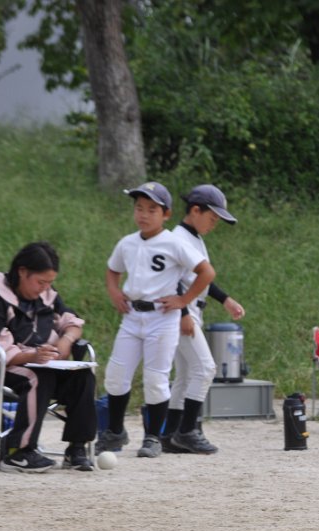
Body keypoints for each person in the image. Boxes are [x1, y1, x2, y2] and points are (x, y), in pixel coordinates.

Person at [97, 181, 215, 459]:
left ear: (166, 214)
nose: (144, 214)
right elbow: (113, 270)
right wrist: (114, 291)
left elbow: (206, 272)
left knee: (155, 379)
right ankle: (115, 431)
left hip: (162, 318)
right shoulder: (128, 242)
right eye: (139, 208)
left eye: (152, 210)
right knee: (116, 375)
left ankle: (152, 437)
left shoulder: (174, 243)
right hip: (132, 316)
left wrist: (183, 301)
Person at [0, 242, 97, 472]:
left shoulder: (46, 295)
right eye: (41, 282)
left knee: (83, 376)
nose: (45, 288)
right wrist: (33, 355)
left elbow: (71, 321)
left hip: (41, 363)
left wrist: (66, 340)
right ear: (22, 272)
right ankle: (19, 451)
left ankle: (77, 448)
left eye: (49, 283)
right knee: (38, 377)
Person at [160, 184, 245, 455]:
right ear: (195, 210)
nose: (214, 224)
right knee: (206, 368)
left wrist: (226, 299)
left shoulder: (193, 237)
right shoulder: (178, 239)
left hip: (190, 308)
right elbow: (172, 279)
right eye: (212, 217)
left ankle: (170, 435)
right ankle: (187, 431)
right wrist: (184, 314)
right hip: (182, 311)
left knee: (186, 374)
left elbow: (199, 279)